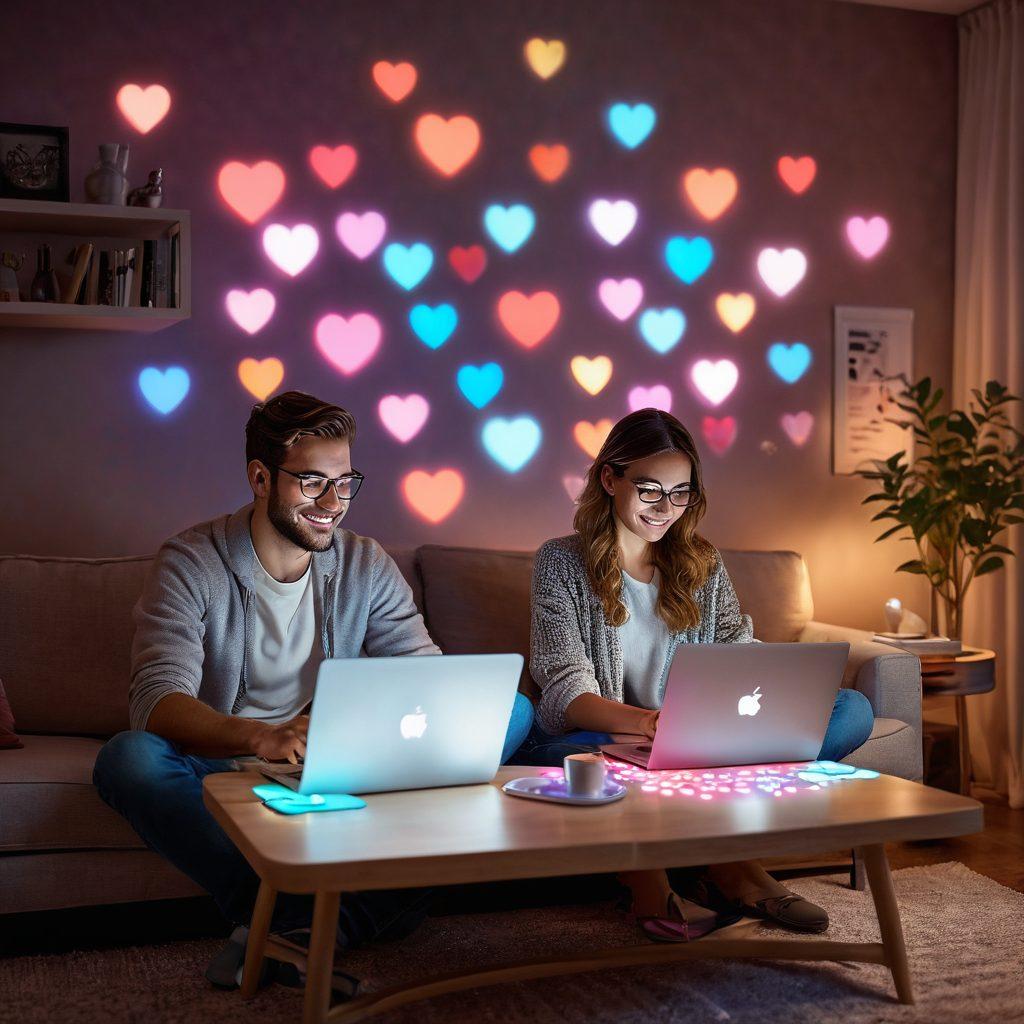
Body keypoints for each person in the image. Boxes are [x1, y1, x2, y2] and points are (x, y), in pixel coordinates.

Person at [94, 391, 534, 987]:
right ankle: (333, 917)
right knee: (129, 759)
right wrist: (260, 736)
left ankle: (282, 931)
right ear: (259, 477)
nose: (333, 503)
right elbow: (156, 700)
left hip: (329, 767)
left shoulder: (365, 564)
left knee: (513, 711)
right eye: (311, 483)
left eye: (345, 482)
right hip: (218, 766)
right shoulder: (190, 561)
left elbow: (426, 677)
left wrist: (382, 738)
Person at [522, 408, 874, 942]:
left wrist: (771, 690)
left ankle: (722, 861)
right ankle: (686, 871)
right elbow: (565, 689)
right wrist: (648, 725)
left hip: (696, 745)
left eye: (680, 492)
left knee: (852, 709)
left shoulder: (702, 563)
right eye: (650, 490)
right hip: (602, 739)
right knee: (568, 760)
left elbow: (738, 649)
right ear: (610, 478)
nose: (666, 508)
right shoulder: (561, 562)